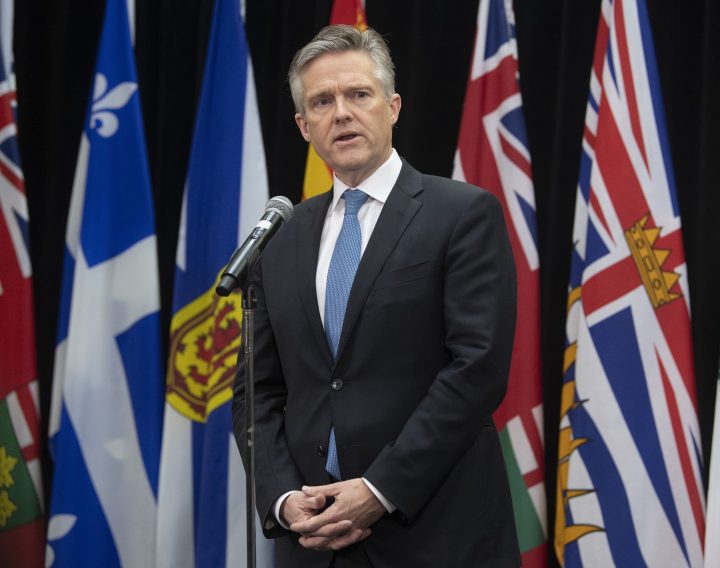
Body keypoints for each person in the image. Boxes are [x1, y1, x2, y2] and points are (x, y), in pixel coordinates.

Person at [233, 24, 520, 568]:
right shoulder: (279, 238)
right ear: (303, 126)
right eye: (321, 101)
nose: (341, 112)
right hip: (313, 542)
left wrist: (379, 489)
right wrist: (284, 500)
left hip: (436, 534)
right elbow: (257, 392)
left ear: (392, 106)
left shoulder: (460, 214)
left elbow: (477, 368)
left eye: (358, 94)